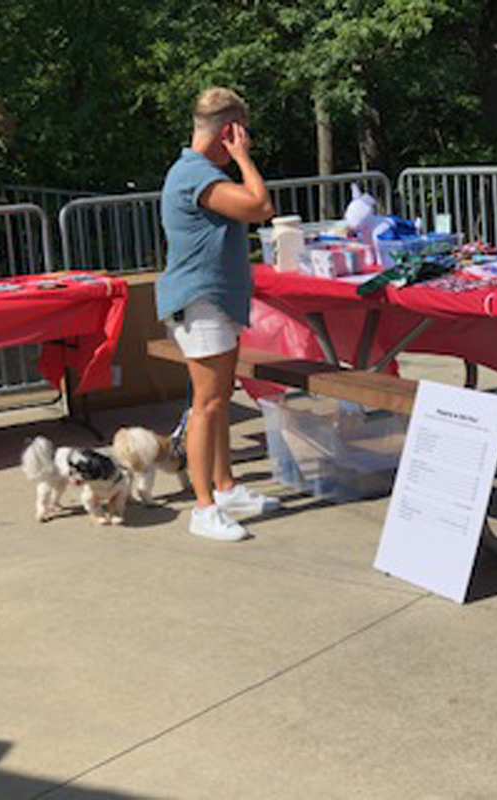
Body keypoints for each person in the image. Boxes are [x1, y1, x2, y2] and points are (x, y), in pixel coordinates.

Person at [156, 87, 279, 541]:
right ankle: (203, 507)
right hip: (201, 302)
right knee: (206, 405)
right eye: (242, 133)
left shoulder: (197, 172)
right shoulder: (195, 176)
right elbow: (260, 207)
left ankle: (225, 488)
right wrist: (244, 159)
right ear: (229, 131)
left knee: (219, 398)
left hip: (215, 302)